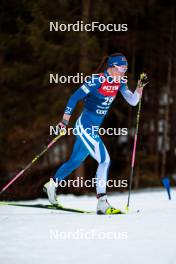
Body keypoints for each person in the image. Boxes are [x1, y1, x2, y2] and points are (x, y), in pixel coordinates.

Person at [43, 53, 143, 214]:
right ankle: (102, 203)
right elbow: (74, 98)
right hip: (84, 126)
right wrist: (64, 122)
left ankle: (52, 184)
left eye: (126, 69)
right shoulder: (97, 80)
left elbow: (133, 101)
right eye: (121, 69)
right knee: (105, 160)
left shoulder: (120, 82)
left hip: (92, 129)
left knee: (75, 161)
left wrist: (140, 87)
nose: (123, 72)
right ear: (112, 67)